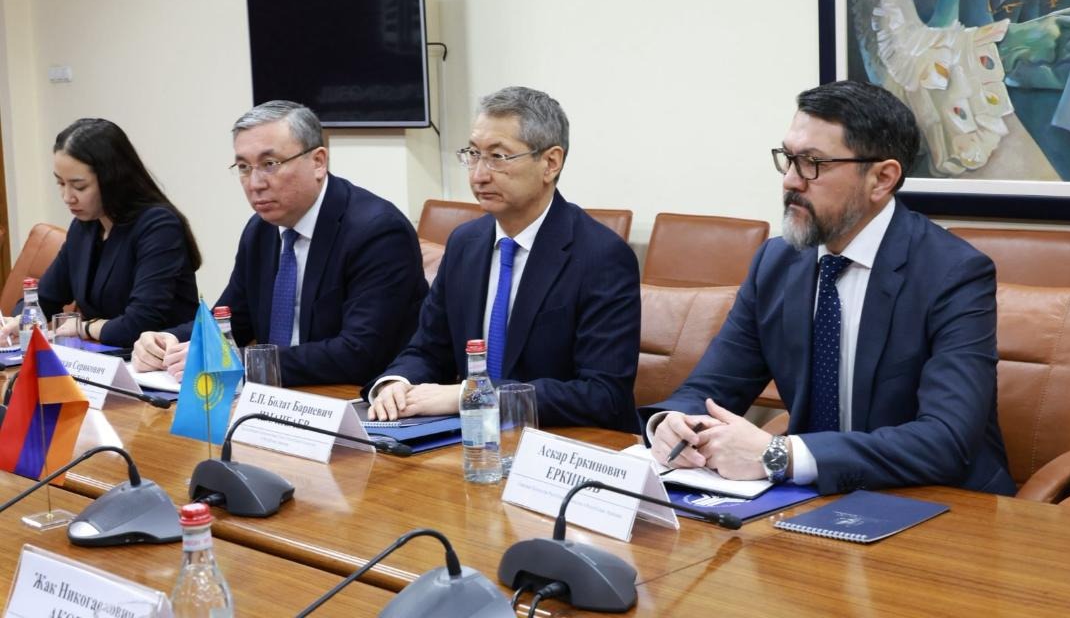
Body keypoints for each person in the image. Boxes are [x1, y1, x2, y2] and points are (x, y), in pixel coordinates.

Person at [643, 81, 1015, 496]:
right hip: (812, 497)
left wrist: (781, 455)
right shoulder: (776, 262)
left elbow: (946, 440)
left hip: (937, 500)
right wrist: (671, 423)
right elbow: (711, 387)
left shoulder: (954, 273)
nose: (790, 181)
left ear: (882, 178)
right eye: (788, 158)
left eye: (812, 163)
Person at [366, 86, 641, 432]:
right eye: (473, 154)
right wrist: (397, 382)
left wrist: (472, 394)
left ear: (550, 163)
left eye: (498, 157)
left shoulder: (601, 256)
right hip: (472, 440)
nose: (478, 175)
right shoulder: (465, 243)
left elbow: (602, 395)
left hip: (558, 443)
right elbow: (428, 349)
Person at [131, 100, 427, 387]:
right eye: (243, 167)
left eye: (270, 164)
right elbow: (231, 320)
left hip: (357, 399)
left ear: (318, 162)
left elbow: (358, 353)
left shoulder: (376, 231)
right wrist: (170, 341)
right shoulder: (260, 230)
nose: (255, 183)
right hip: (277, 394)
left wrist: (242, 362)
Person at [1, 118, 200, 349]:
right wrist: (20, 321)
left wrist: (85, 328)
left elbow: (140, 323)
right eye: (60, 183)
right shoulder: (83, 227)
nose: (67, 197)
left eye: (79, 186)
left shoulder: (158, 225)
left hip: (164, 360)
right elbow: (44, 298)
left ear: (112, 179)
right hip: (106, 358)